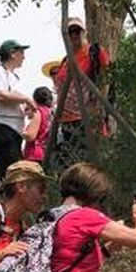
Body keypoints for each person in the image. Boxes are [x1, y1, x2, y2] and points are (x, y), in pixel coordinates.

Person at [49, 16, 113, 165]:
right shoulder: (66, 60)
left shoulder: (94, 52)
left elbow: (106, 79)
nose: (73, 35)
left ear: (83, 32)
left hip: (86, 118)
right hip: (65, 120)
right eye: (70, 32)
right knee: (69, 164)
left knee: (86, 163)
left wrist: (98, 109)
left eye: (76, 31)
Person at [0, 40, 37, 183]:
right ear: (12, 54)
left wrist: (24, 107)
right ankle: (0, 200)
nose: (24, 57)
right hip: (0, 127)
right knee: (13, 169)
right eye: (21, 53)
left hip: (12, 129)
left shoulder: (15, 77)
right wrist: (26, 98)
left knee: (7, 169)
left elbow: (12, 99)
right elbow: (0, 94)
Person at [22, 87, 54, 164]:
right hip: (48, 152)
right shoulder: (51, 113)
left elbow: (30, 136)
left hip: (35, 153)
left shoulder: (39, 112)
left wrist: (19, 130)